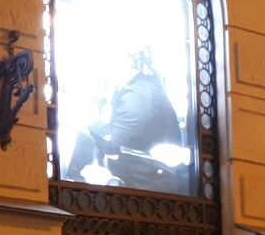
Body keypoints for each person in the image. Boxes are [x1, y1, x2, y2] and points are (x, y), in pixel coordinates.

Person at [66, 47, 185, 188]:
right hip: (145, 180)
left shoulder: (137, 94)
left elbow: (113, 143)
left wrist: (88, 119)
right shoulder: (142, 88)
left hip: (148, 186)